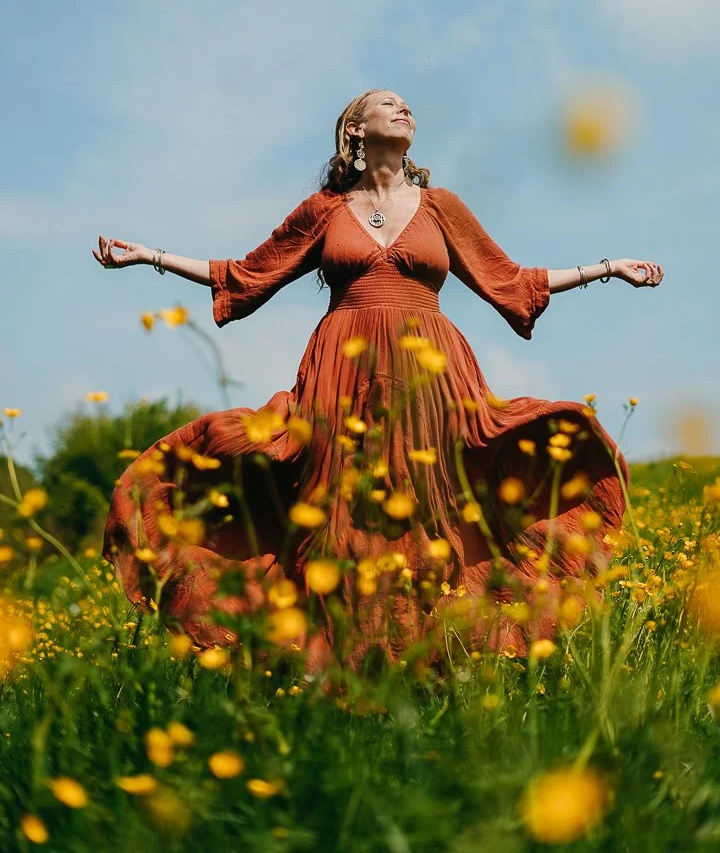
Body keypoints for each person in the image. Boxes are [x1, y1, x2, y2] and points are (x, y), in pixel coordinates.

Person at [94, 88, 663, 673]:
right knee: (338, 514)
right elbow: (244, 277)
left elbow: (512, 281)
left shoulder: (440, 206)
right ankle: (331, 669)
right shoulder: (324, 210)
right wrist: (149, 256)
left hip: (432, 378)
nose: (405, 109)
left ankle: (436, 663)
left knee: (428, 510)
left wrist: (607, 269)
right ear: (355, 131)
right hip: (340, 376)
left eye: (409, 105)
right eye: (388, 104)